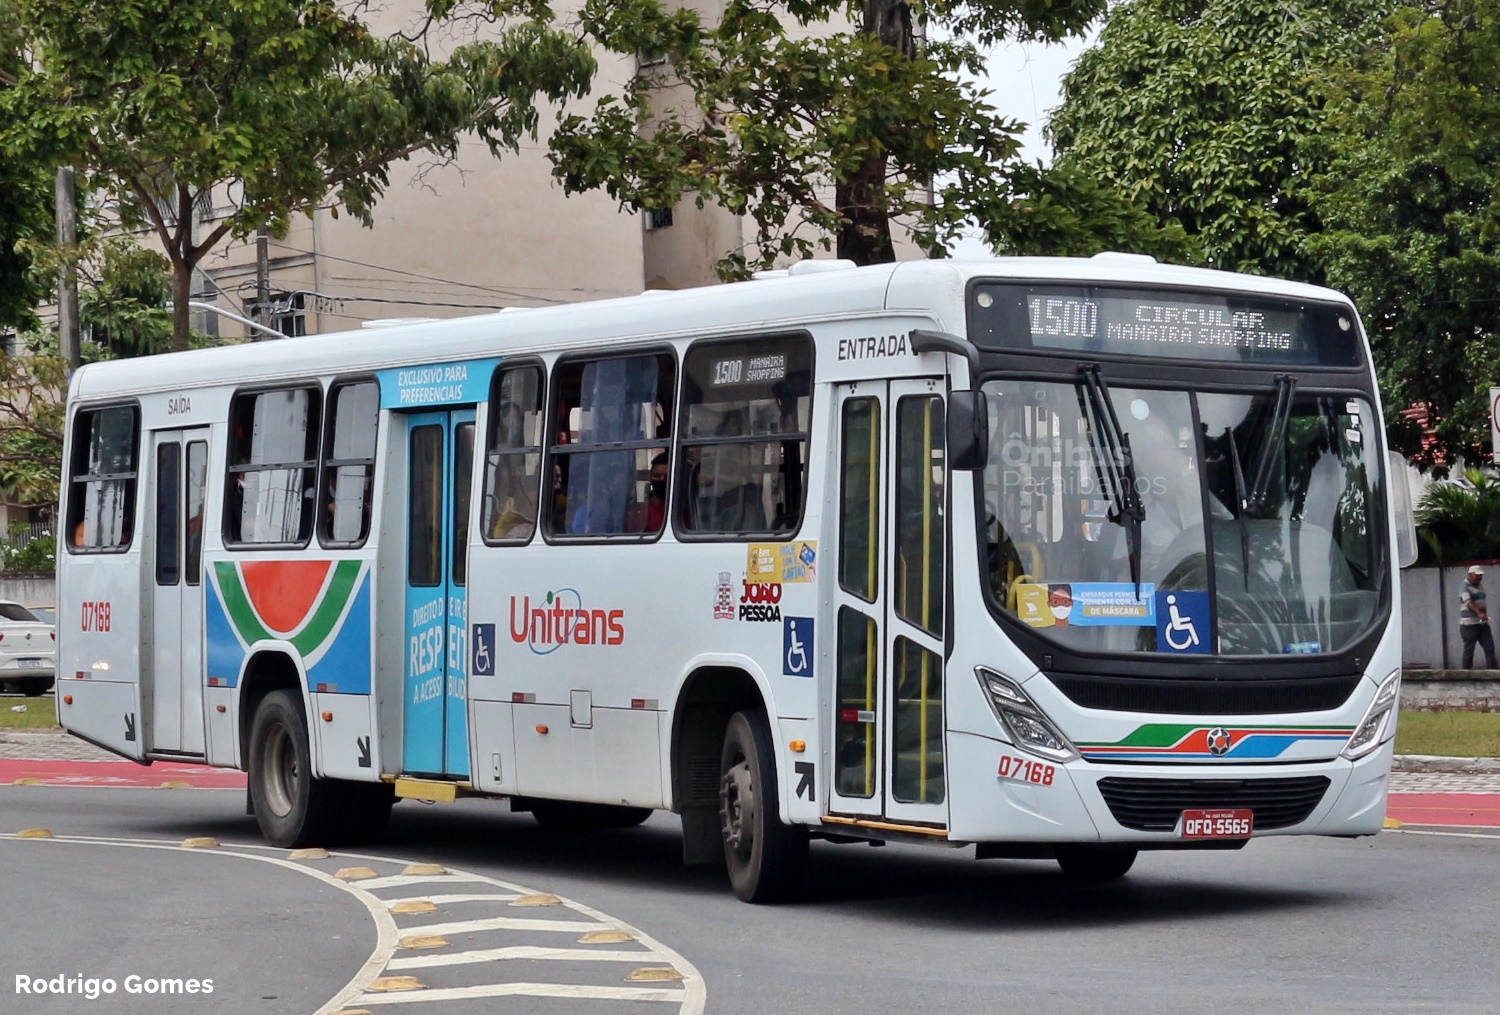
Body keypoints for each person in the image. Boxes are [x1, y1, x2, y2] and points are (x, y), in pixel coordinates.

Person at [1459, 564, 1497, 669]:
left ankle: (1493, 674)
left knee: (1489, 647)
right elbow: (1468, 602)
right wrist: (1479, 612)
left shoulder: (1479, 585)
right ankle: (1465, 675)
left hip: (1482, 623)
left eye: (1481, 575)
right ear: (1470, 575)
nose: (1479, 578)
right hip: (1469, 624)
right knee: (1469, 650)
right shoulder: (1464, 586)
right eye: (1477, 575)